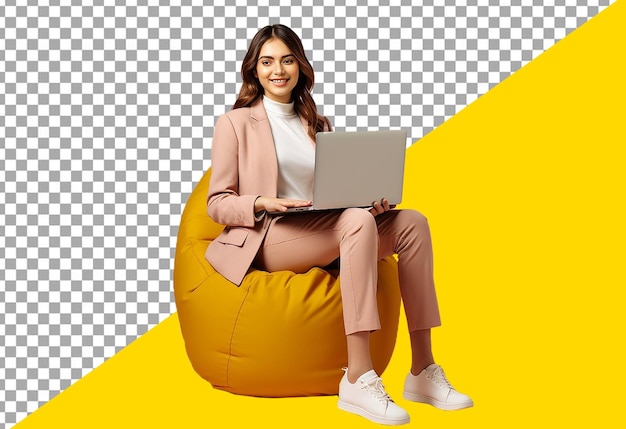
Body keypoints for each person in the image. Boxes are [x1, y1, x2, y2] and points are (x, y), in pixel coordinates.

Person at [205, 24, 473, 426]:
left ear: (300, 66)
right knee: (355, 223)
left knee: (412, 223)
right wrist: (262, 201)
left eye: (287, 59)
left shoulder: (319, 123)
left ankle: (423, 369)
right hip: (271, 236)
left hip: (326, 225)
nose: (278, 70)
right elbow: (217, 203)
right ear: (254, 71)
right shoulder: (235, 123)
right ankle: (359, 375)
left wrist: (369, 201)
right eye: (267, 62)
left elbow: (334, 194)